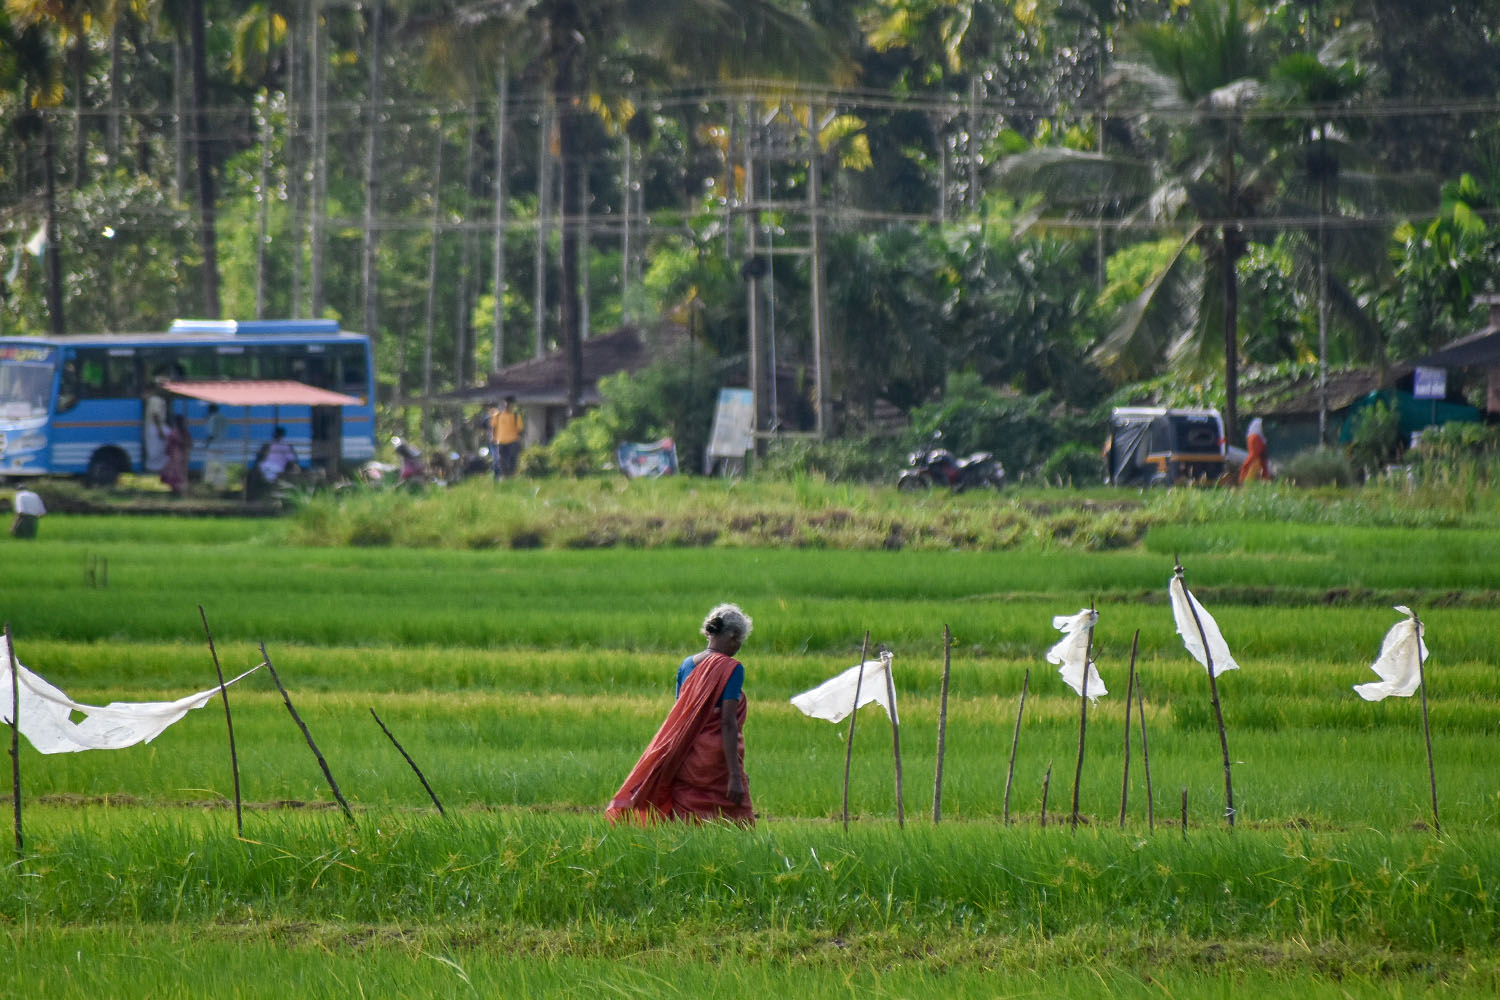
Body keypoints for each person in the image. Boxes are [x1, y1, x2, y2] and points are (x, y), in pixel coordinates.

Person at [606, 604, 755, 825]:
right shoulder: (731, 668)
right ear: (733, 636)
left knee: (686, 821)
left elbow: (682, 717)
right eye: (739, 642)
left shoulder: (686, 665)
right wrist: (735, 775)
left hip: (685, 755)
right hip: (716, 761)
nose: (738, 648)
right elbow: (727, 723)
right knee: (732, 821)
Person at [489, 396, 524, 480]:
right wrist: (493, 438)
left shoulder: (516, 416)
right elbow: (493, 428)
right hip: (501, 441)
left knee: (512, 460)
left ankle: (512, 477)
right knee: (501, 461)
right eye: (506, 404)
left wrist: (521, 440)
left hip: (513, 441)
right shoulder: (497, 416)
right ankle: (504, 477)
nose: (508, 406)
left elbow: (520, 429)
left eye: (510, 404)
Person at [160, 413, 191, 496]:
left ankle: (175, 490)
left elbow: (169, 442)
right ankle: (180, 489)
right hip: (183, 453)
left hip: (175, 453)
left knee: (174, 471)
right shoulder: (184, 432)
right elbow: (189, 443)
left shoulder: (174, 431)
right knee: (181, 472)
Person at [1239, 417, 1272, 484]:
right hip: (1255, 462)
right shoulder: (1255, 437)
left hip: (1258, 461)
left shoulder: (1257, 437)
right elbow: (1255, 453)